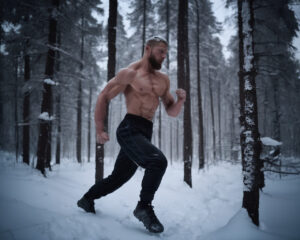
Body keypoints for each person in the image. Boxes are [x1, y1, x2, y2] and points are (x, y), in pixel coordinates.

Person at [77, 36, 186, 233]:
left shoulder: (163, 80)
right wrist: (100, 129)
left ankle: (87, 199)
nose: (164, 56)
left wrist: (180, 100)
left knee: (120, 177)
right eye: (160, 51)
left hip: (145, 131)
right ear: (147, 49)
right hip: (129, 128)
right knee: (157, 161)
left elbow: (171, 110)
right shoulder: (130, 73)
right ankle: (143, 207)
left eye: (165, 53)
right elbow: (104, 95)